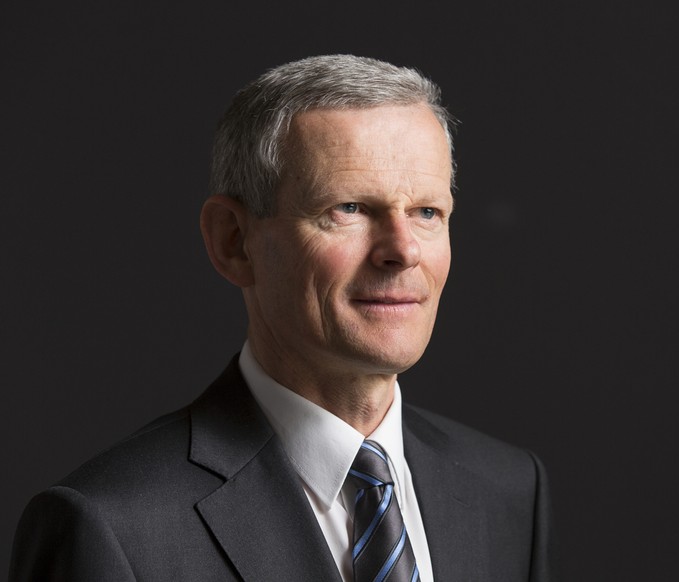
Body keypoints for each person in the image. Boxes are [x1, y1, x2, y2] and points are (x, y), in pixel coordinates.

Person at [9, 54, 554, 581]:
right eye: (349, 209)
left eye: (427, 213)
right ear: (234, 242)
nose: (403, 250)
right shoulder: (111, 528)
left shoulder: (506, 491)